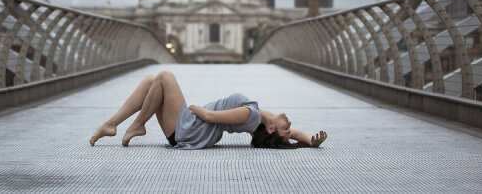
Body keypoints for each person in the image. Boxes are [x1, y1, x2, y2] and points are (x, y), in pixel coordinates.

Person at [89, 70, 327, 149]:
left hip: (190, 128)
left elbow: (209, 116)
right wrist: (310, 140)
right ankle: (111, 125)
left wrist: (193, 107)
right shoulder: (258, 117)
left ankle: (139, 124)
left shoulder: (250, 114)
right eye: (290, 127)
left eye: (286, 127)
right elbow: (292, 136)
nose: (289, 122)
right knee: (151, 81)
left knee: (164, 76)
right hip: (187, 129)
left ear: (272, 127)